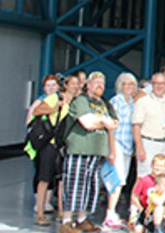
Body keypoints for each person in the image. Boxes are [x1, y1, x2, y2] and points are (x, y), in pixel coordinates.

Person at [60, 71, 118, 233]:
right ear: (88, 85)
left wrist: (111, 150)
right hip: (80, 149)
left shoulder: (105, 103)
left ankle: (82, 219)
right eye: (96, 82)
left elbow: (114, 124)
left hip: (97, 152)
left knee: (90, 188)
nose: (100, 86)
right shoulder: (81, 100)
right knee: (74, 185)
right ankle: (66, 222)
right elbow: (86, 123)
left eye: (102, 83)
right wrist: (104, 122)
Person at [28, 74, 77, 227]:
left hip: (61, 144)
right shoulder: (55, 98)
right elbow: (37, 111)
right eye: (73, 84)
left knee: (62, 179)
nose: (76, 86)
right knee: (44, 178)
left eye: (78, 84)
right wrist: (55, 107)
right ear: (66, 85)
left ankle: (61, 212)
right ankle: (40, 213)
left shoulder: (74, 102)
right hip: (49, 144)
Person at [108, 72, 139, 229]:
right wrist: (111, 150)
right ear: (120, 85)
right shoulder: (115, 102)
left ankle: (112, 212)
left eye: (131, 84)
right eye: (126, 84)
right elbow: (110, 127)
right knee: (117, 181)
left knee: (122, 179)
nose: (129, 87)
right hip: (117, 144)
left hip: (128, 147)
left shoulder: (133, 102)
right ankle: (110, 212)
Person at [134, 73, 165, 180]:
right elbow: (136, 126)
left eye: (162, 84)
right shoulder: (143, 102)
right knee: (144, 178)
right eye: (156, 83)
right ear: (152, 85)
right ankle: (135, 197)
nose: (159, 86)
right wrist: (139, 148)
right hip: (148, 143)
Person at [130, 153, 165, 233]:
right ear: (152, 165)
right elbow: (134, 196)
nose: (158, 168)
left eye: (161, 166)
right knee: (138, 229)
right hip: (145, 209)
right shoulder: (144, 179)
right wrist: (141, 208)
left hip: (160, 212)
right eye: (156, 165)